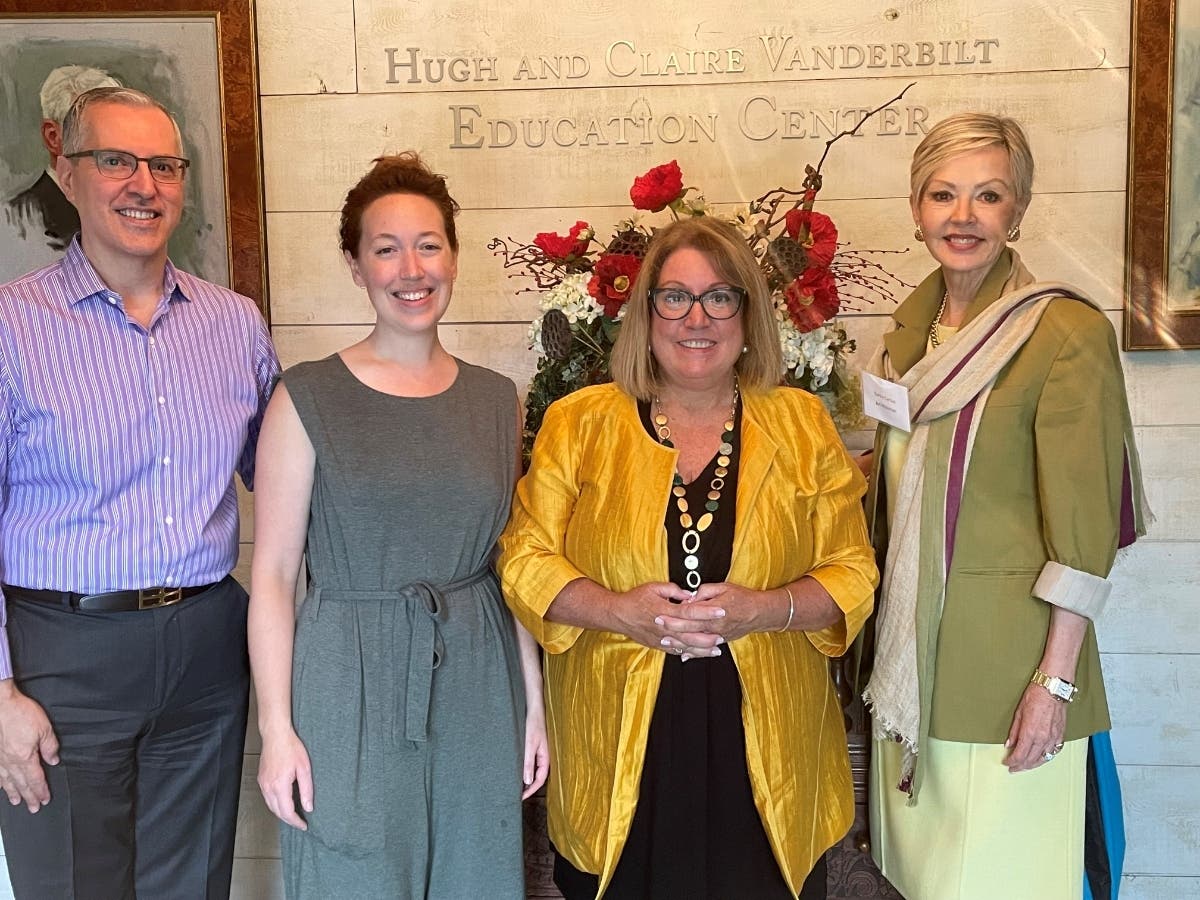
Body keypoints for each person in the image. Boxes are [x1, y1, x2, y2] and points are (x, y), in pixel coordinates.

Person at [499, 216, 878, 900]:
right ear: (646, 314)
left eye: (719, 297)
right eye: (674, 297)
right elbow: (524, 560)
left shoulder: (802, 424)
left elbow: (853, 571)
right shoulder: (578, 423)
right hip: (620, 751)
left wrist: (763, 609)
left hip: (769, 755)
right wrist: (618, 612)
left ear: (747, 313)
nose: (695, 318)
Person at [860, 113, 1149, 899]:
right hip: (910, 674)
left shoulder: (1063, 332)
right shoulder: (903, 342)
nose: (963, 217)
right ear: (916, 208)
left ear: (1018, 209)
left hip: (1009, 678)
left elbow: (1083, 535)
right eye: (943, 194)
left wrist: (1052, 688)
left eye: (987, 196)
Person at [0, 86, 278, 899]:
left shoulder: (233, 324)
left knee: (192, 885)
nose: (143, 185)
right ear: (65, 170)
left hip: (204, 649)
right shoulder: (11, 327)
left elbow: (288, 481)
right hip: (61, 657)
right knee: (75, 886)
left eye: (164, 165)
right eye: (115, 160)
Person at [248, 152, 549, 899]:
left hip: (479, 678)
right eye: (386, 248)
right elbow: (276, 578)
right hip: (348, 679)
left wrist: (534, 706)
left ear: (452, 254)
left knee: (475, 874)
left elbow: (509, 564)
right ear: (356, 265)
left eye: (428, 244)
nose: (411, 268)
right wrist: (277, 730)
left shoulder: (497, 401)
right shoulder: (305, 397)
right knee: (354, 878)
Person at [5, 65, 121, 253]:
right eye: (94, 130)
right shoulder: (16, 226)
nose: (117, 145)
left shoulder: (122, 209)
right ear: (53, 137)